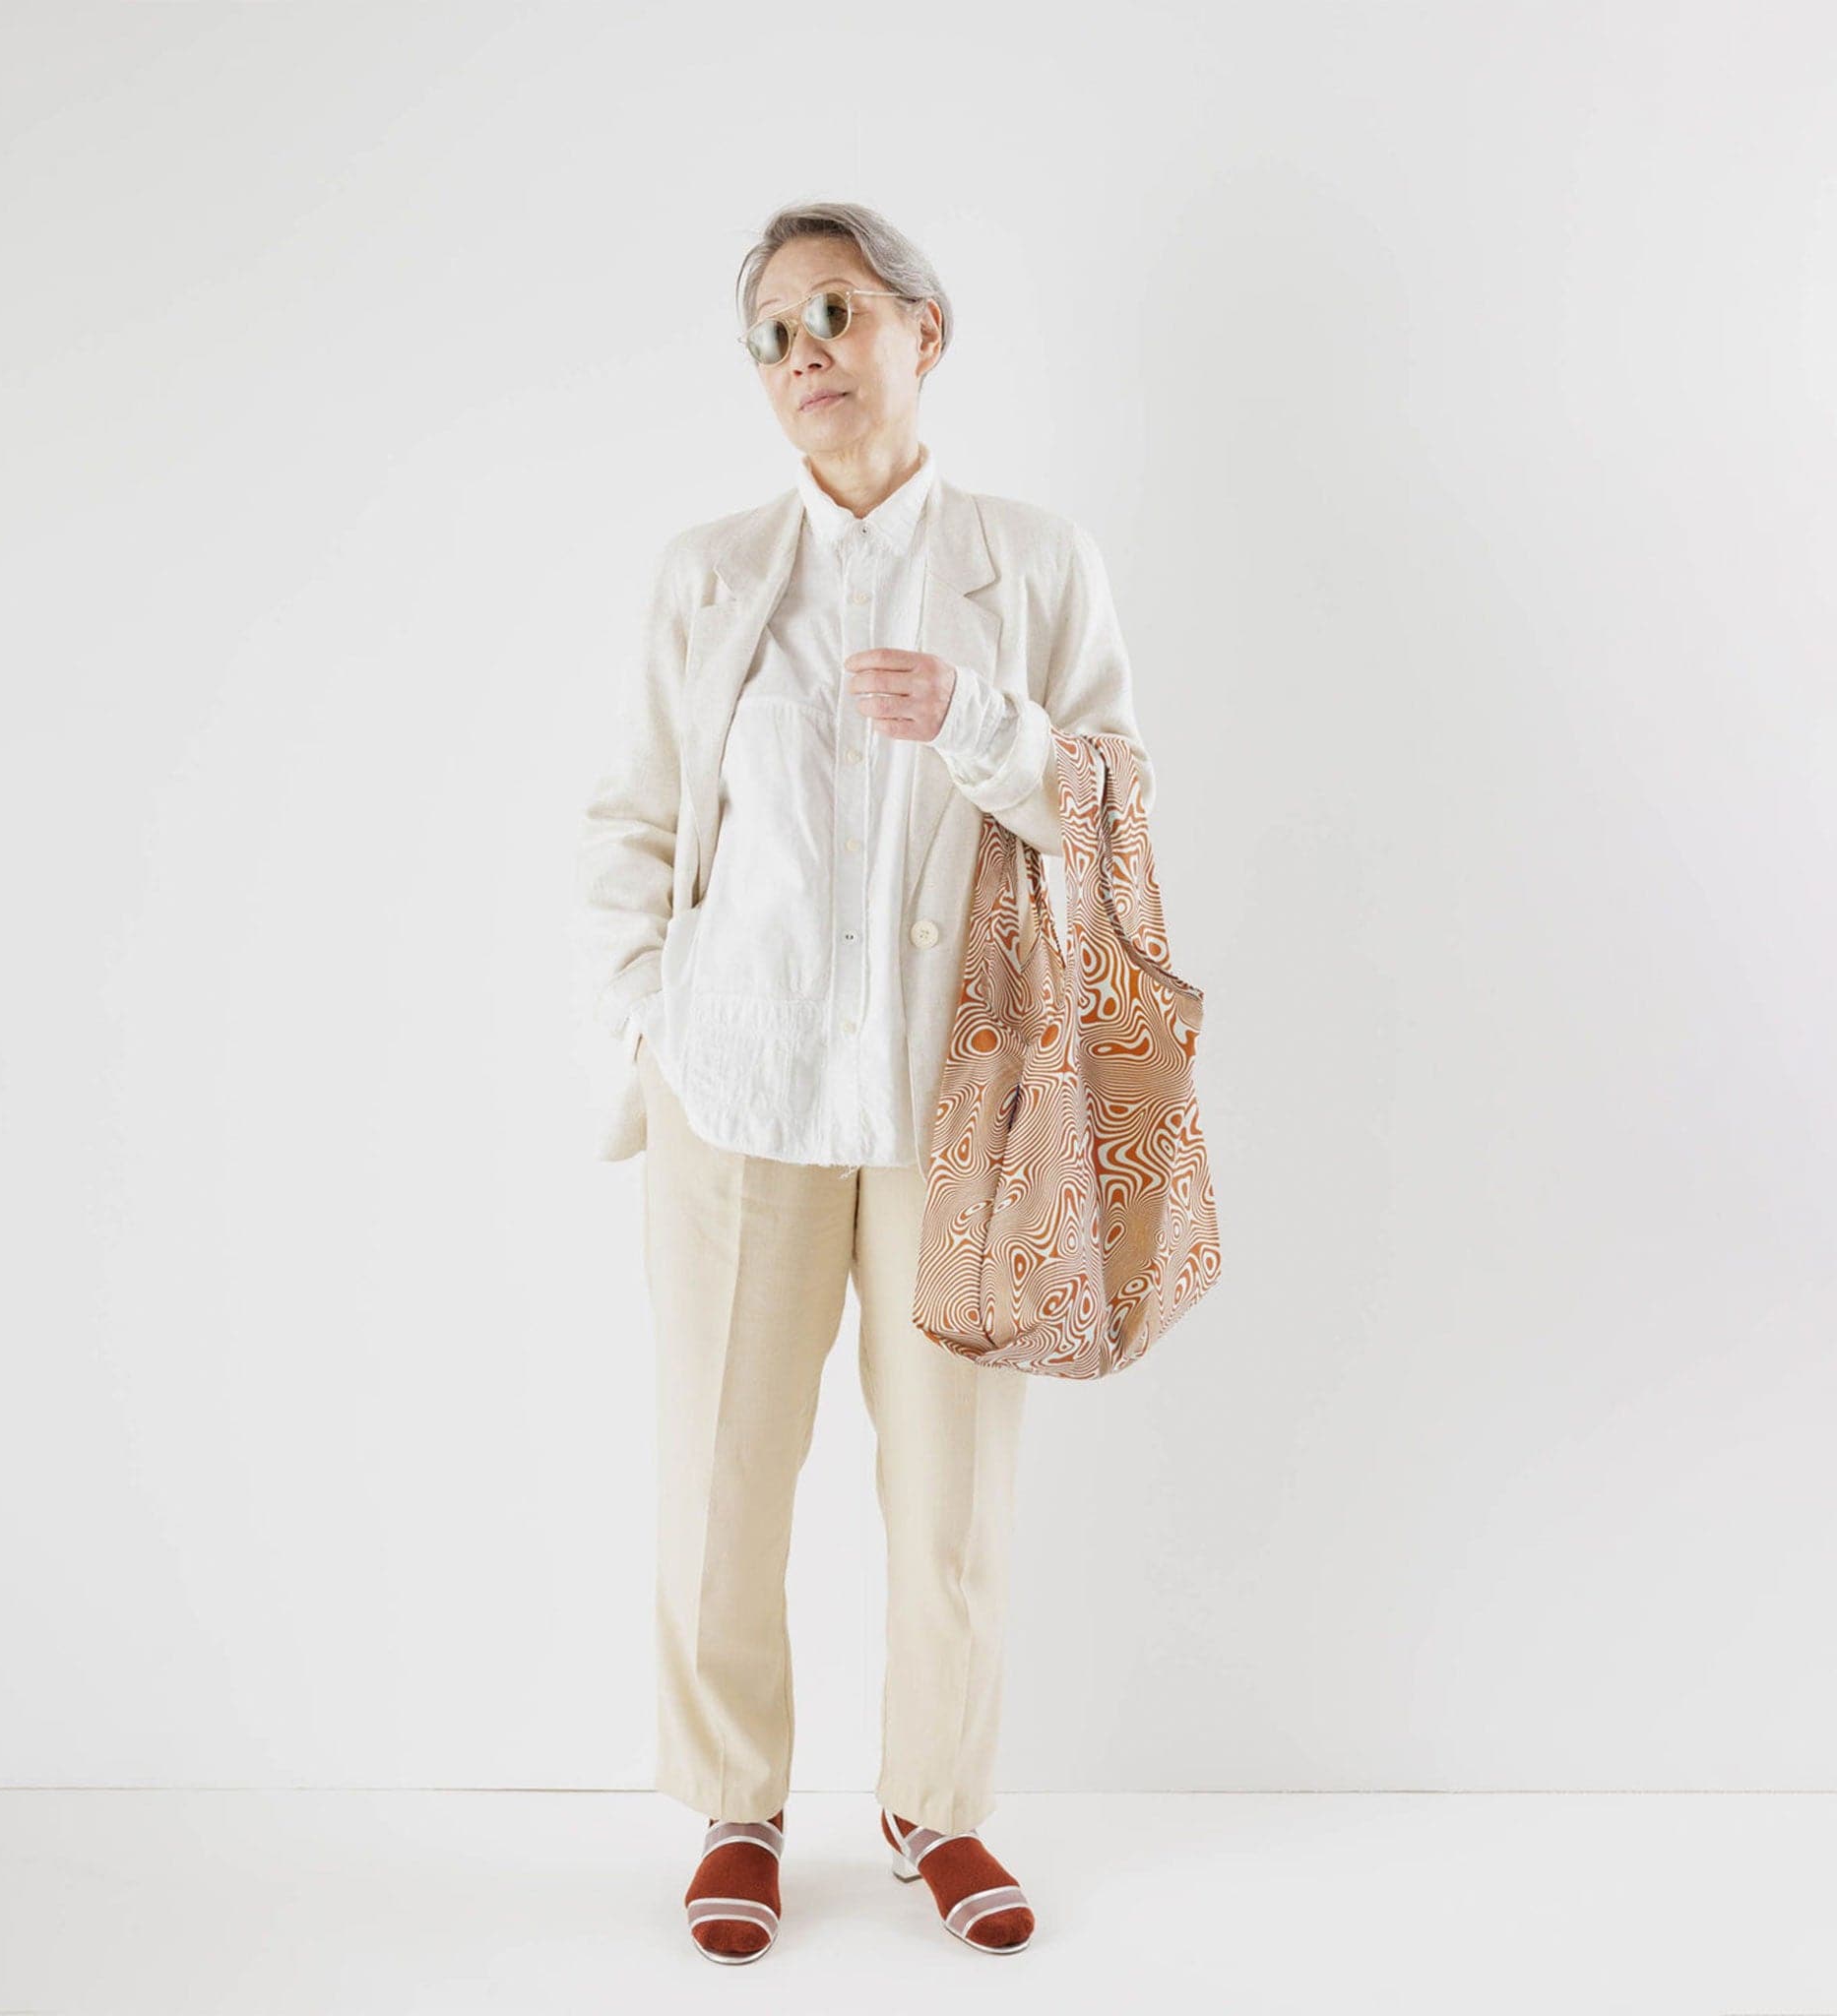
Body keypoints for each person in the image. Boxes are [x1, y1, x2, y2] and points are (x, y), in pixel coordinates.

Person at [570, 199, 1153, 1962]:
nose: (805, 352)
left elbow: (1115, 813)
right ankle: (736, 1809)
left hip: (948, 1106)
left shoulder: (1034, 564)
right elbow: (638, 825)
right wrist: (650, 1020)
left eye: (836, 311)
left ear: (925, 328)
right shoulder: (707, 573)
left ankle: (935, 1808)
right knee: (719, 1479)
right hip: (732, 1097)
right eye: (770, 333)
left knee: (951, 1484)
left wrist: (979, 720)